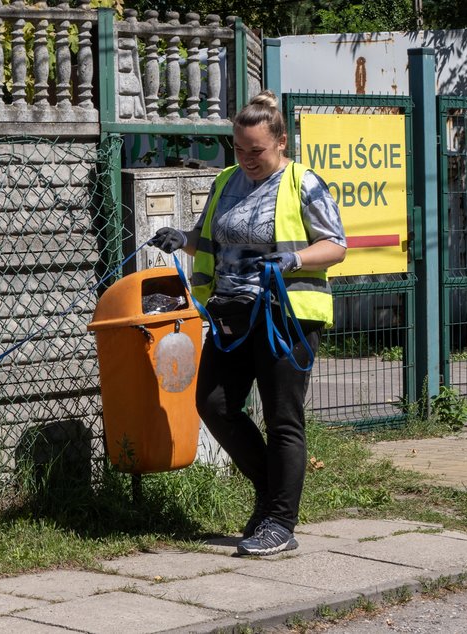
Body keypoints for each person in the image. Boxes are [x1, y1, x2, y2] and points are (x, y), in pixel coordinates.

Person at [149, 90, 347, 556]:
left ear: (280, 142)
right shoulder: (225, 182)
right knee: (215, 405)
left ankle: (281, 521)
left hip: (285, 316)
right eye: (238, 149)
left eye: (255, 150)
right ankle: (271, 491)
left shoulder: (304, 183)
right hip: (230, 313)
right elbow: (219, 241)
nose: (246, 159)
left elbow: (336, 245)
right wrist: (186, 239)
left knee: (283, 419)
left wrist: (294, 257)